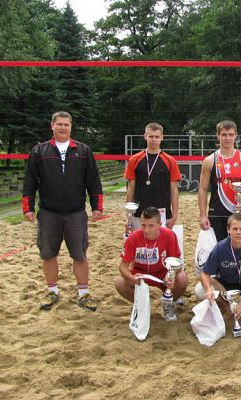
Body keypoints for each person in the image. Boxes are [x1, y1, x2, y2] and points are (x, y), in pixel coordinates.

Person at [22, 111, 103, 311]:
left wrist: (97, 206)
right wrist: (28, 207)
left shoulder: (83, 151)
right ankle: (52, 292)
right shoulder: (39, 151)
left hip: (76, 212)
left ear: (71, 126)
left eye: (66, 124)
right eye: (59, 124)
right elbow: (29, 181)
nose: (63, 127)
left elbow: (93, 180)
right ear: (52, 126)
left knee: (80, 254)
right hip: (49, 212)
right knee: (48, 254)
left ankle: (84, 294)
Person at [115, 207, 188, 321]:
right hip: (141, 273)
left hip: (162, 273)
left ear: (160, 224)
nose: (146, 230)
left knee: (182, 278)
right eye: (143, 225)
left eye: (151, 225)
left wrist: (171, 274)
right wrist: (131, 277)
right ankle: (143, 304)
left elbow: (177, 263)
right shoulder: (134, 237)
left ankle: (167, 303)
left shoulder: (169, 235)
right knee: (119, 282)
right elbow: (123, 266)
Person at [198, 120, 241, 241]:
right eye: (224, 135)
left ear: (236, 135)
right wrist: (203, 215)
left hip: (239, 213)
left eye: (231, 134)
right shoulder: (210, 161)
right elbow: (203, 189)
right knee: (218, 251)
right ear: (218, 136)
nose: (227, 138)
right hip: (216, 213)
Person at [123, 122, 181, 229]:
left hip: (162, 213)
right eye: (151, 136)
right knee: (140, 244)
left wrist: (174, 215)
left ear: (162, 137)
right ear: (145, 136)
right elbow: (130, 189)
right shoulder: (134, 160)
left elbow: (174, 190)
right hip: (139, 212)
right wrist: (128, 215)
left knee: (161, 245)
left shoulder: (170, 161)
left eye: (157, 137)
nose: (154, 139)